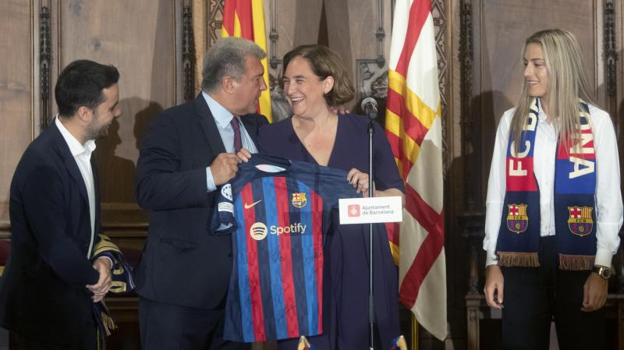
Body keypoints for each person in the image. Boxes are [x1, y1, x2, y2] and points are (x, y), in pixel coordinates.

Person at [240, 44, 405, 350]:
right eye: (285, 82)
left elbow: (398, 199)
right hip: (297, 267)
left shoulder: (365, 131)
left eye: (299, 80)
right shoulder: (269, 138)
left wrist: (374, 192)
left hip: (362, 259)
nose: (290, 90)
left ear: (327, 83)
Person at [483, 29, 623, 350]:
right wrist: (492, 262)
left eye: (537, 64)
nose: (526, 72)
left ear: (560, 67)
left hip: (578, 258)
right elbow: (497, 197)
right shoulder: (512, 121)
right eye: (525, 63)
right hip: (521, 258)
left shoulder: (596, 122)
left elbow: (609, 202)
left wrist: (601, 270)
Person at [135, 37, 269, 350]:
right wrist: (210, 176)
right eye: (257, 79)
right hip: (179, 295)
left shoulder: (259, 126)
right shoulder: (172, 124)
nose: (263, 87)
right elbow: (148, 189)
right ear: (230, 83)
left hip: (241, 296)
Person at [0, 59, 122, 349]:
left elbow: (91, 229)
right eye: (111, 107)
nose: (117, 113)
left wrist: (104, 260)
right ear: (84, 113)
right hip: (44, 315)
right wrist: (97, 278)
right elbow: (57, 247)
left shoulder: (85, 150)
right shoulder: (42, 165)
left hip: (74, 305)